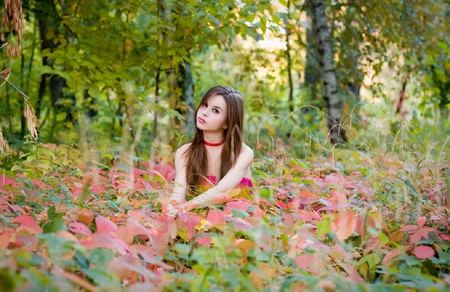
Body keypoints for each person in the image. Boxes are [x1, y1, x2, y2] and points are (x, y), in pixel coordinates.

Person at [168, 85, 254, 214]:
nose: (204, 112)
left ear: (227, 123)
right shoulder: (185, 152)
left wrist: (188, 206)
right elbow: (177, 193)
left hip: (238, 224)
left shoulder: (243, 153)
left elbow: (222, 190)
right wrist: (171, 212)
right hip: (199, 219)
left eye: (215, 110)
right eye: (204, 104)